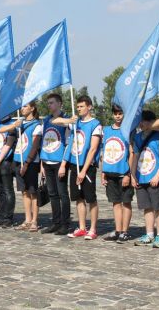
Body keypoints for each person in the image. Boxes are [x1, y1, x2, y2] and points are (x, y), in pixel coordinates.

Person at [54, 95, 102, 240]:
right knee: (78, 198)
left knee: (90, 198)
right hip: (74, 165)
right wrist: (68, 120)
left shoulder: (96, 124)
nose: (79, 109)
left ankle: (93, 229)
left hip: (87, 167)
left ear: (89, 107)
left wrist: (83, 171)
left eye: (82, 106)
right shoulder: (76, 123)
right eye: (78, 106)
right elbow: (54, 120)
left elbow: (93, 150)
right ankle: (82, 227)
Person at [0, 102, 42, 232]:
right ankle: (27, 219)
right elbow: (0, 130)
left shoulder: (37, 125)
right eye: (22, 106)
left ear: (32, 108)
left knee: (33, 192)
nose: (22, 109)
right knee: (24, 192)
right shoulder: (20, 123)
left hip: (31, 162)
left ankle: (34, 220)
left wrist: (27, 163)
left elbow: (34, 147)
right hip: (18, 160)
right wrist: (14, 125)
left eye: (25, 106)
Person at [101, 104, 134, 243]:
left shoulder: (128, 131)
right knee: (115, 202)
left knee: (126, 202)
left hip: (124, 173)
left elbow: (132, 153)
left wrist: (128, 174)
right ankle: (118, 230)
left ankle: (125, 232)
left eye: (120, 113)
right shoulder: (107, 130)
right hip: (110, 173)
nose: (118, 116)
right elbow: (105, 152)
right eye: (115, 113)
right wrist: (103, 172)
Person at [39, 93, 71, 235]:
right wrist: (42, 163)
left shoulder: (66, 121)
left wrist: (64, 165)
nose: (49, 105)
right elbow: (43, 142)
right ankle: (55, 222)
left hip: (59, 162)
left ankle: (65, 223)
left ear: (59, 103)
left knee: (62, 193)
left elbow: (69, 143)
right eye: (48, 103)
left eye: (52, 102)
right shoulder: (46, 120)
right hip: (47, 161)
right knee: (52, 194)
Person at [131, 110, 159, 248]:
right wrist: (132, 175)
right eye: (140, 120)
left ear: (151, 121)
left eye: (144, 120)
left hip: (156, 177)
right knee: (147, 207)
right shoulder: (138, 137)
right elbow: (136, 156)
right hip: (141, 177)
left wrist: (158, 175)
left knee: (158, 208)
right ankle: (149, 234)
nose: (141, 123)